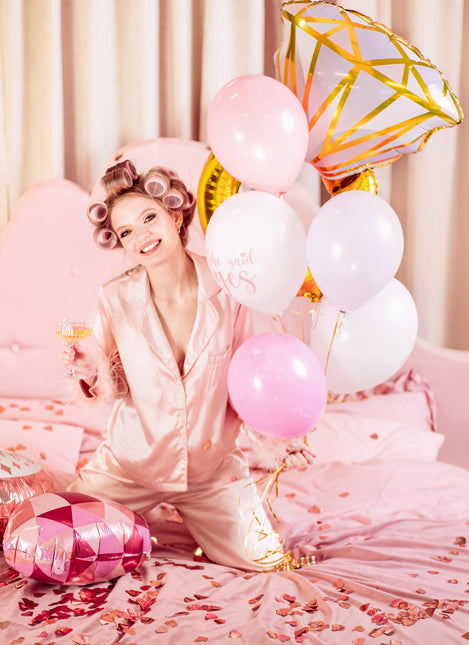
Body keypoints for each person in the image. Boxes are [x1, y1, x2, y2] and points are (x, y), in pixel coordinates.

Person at [64, 159, 311, 571]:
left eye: (149, 218)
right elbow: (114, 385)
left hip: (211, 473)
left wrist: (278, 433)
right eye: (127, 232)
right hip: (128, 468)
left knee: (269, 562)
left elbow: (250, 378)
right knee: (60, 542)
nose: (142, 236)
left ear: (175, 215)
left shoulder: (230, 289)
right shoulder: (114, 299)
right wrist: (89, 370)